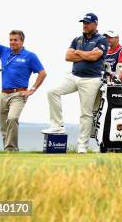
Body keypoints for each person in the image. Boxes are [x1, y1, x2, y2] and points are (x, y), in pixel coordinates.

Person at [0, 12, 47, 151]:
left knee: (12, 119)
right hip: (3, 94)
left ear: (22, 41)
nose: (12, 42)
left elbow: (42, 73)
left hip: (19, 95)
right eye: (11, 39)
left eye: (15, 40)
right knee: (4, 126)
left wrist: (32, 90)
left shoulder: (30, 56)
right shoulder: (4, 52)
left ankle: (11, 149)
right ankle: (9, 150)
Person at [41, 13, 109, 154]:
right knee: (52, 92)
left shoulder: (101, 39)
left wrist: (78, 53)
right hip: (73, 76)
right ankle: (57, 125)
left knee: (86, 113)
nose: (84, 25)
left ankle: (82, 146)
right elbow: (68, 56)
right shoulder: (77, 39)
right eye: (83, 22)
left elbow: (94, 56)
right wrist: (84, 54)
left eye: (88, 23)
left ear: (95, 24)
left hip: (91, 80)